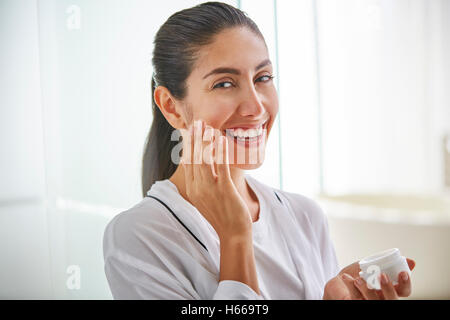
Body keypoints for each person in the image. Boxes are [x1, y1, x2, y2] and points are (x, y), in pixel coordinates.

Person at [103, 1, 415, 300]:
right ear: (171, 106)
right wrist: (236, 236)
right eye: (225, 84)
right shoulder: (138, 236)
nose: (255, 107)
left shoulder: (304, 216)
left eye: (262, 78)